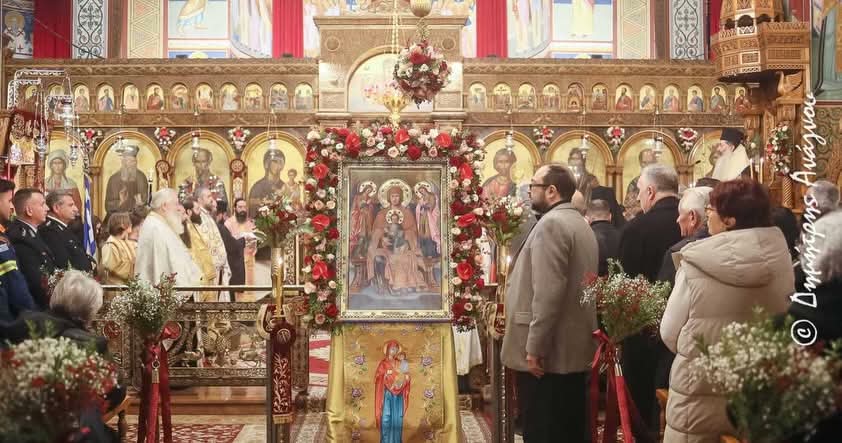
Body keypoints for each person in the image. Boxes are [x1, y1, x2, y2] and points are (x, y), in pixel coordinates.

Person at [661, 179, 794, 442]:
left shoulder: (695, 261)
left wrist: (701, 353)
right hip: (758, 393)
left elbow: (669, 333)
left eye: (710, 210)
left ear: (729, 220)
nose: (707, 216)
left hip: (699, 395)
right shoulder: (781, 258)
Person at [501, 164, 598, 443]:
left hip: (549, 356)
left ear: (552, 191)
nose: (529, 191)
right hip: (570, 349)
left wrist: (535, 348)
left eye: (534, 185)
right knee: (568, 429)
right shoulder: (578, 222)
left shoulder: (552, 225)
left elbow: (547, 292)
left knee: (544, 430)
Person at [0, 270, 123, 442]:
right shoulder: (92, 344)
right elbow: (116, 390)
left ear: (55, 297)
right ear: (90, 311)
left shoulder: (22, 325)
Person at [618, 164, 682, 443]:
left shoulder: (636, 228)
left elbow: (624, 283)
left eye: (641, 191)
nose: (640, 198)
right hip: (684, 329)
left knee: (642, 403)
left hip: (642, 331)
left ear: (651, 192)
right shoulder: (693, 222)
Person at [135, 188, 201, 287]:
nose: (178, 208)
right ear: (164, 206)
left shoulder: (161, 224)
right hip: (165, 292)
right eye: (176, 204)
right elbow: (160, 266)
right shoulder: (155, 228)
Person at [7, 188, 56, 309]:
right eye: (42, 204)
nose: (47, 208)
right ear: (29, 210)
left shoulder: (32, 232)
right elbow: (34, 281)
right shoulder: (20, 237)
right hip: (36, 307)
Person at [657, 186, 713, 284]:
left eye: (680, 213)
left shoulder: (678, 253)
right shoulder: (728, 245)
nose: (677, 220)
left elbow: (664, 291)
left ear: (692, 217)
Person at [0, 179, 34, 319]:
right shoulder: (1, 243)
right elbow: (14, 283)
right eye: (9, 201)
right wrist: (33, 315)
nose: (12, 207)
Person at [39, 190, 92, 273]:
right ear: (56, 208)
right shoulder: (49, 231)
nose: (76, 209)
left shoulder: (63, 228)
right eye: (71, 205)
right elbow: (62, 263)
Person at [181, 198, 218, 302]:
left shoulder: (193, 226)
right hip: (200, 278)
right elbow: (193, 254)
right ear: (189, 212)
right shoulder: (186, 229)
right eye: (197, 209)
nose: (200, 213)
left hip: (207, 275)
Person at [194, 188, 230, 288]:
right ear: (199, 200)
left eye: (212, 196)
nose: (212, 199)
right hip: (208, 270)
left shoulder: (207, 216)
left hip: (216, 269)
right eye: (208, 196)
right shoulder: (198, 217)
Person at [224, 198, 257, 300]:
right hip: (236, 263)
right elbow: (228, 244)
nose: (243, 209)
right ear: (235, 208)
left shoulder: (250, 223)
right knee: (238, 291)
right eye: (240, 207)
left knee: (249, 289)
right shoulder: (228, 224)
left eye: (244, 207)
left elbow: (255, 242)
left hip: (249, 261)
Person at [104, 145, 149, 219]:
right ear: (123, 162)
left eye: (134, 161)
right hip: (117, 218)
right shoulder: (114, 179)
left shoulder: (141, 177)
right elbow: (108, 206)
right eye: (129, 161)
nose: (132, 164)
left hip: (136, 217)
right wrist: (120, 202)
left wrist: (140, 203)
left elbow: (145, 200)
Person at [215, 200, 245, 302]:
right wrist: (243, 240)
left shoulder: (216, 226)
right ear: (222, 215)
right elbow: (232, 246)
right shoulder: (220, 227)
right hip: (223, 269)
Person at [99, 213, 136, 286]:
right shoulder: (110, 244)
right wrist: (131, 267)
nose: (131, 224)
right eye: (128, 222)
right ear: (122, 225)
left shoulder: (126, 242)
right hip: (115, 287)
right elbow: (110, 266)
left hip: (127, 286)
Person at [248, 149, 287, 216]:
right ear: (266, 164)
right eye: (275, 161)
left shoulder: (285, 186)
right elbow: (252, 211)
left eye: (280, 162)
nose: (278, 165)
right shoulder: (258, 186)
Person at [585, 199, 619, 277]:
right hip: (620, 282)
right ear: (610, 216)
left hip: (592, 282)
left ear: (588, 219)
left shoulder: (585, 238)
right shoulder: (622, 235)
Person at [623, 148, 657, 220]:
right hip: (642, 220)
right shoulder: (635, 183)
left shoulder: (663, 181)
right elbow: (629, 208)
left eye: (651, 163)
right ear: (640, 163)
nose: (648, 166)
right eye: (644, 163)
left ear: (656, 163)